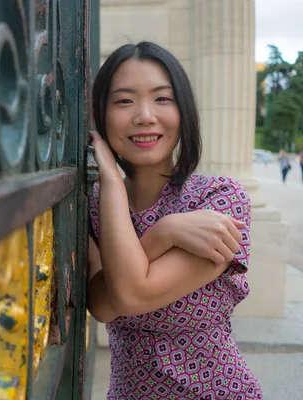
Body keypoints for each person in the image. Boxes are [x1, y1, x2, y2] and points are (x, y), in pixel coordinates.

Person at [87, 41, 263, 399]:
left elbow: (132, 294)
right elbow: (104, 306)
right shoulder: (95, 204)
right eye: (124, 101)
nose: (145, 116)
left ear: (183, 110)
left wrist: (149, 236)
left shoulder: (219, 199)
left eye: (162, 99)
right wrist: (163, 231)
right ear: (101, 116)